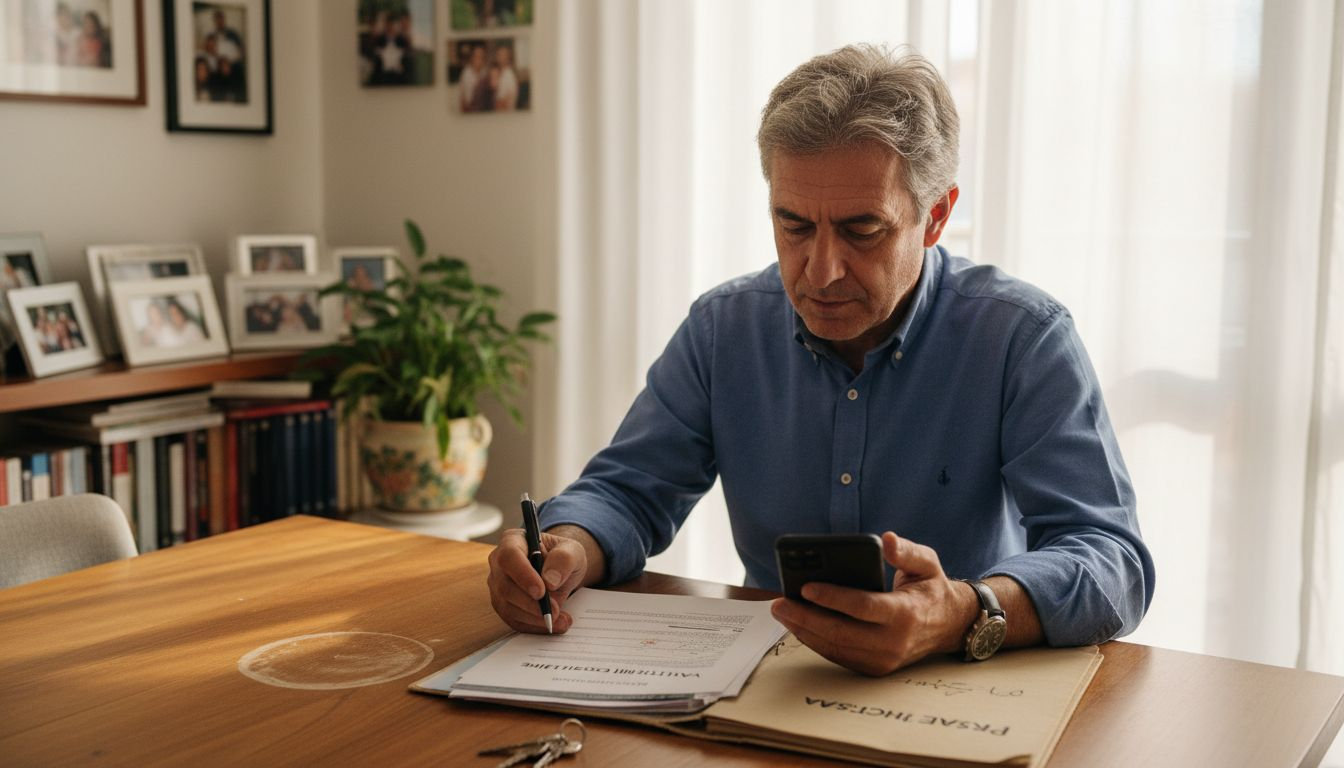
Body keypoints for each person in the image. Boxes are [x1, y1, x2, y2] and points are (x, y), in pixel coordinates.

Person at [486, 44, 1155, 676]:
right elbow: (626, 492)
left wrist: (964, 613)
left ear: (937, 216)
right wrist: (567, 547)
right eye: (794, 226)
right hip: (764, 681)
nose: (822, 271)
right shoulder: (725, 329)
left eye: (862, 230)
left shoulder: (1022, 339)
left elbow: (1112, 561)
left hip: (959, 690)